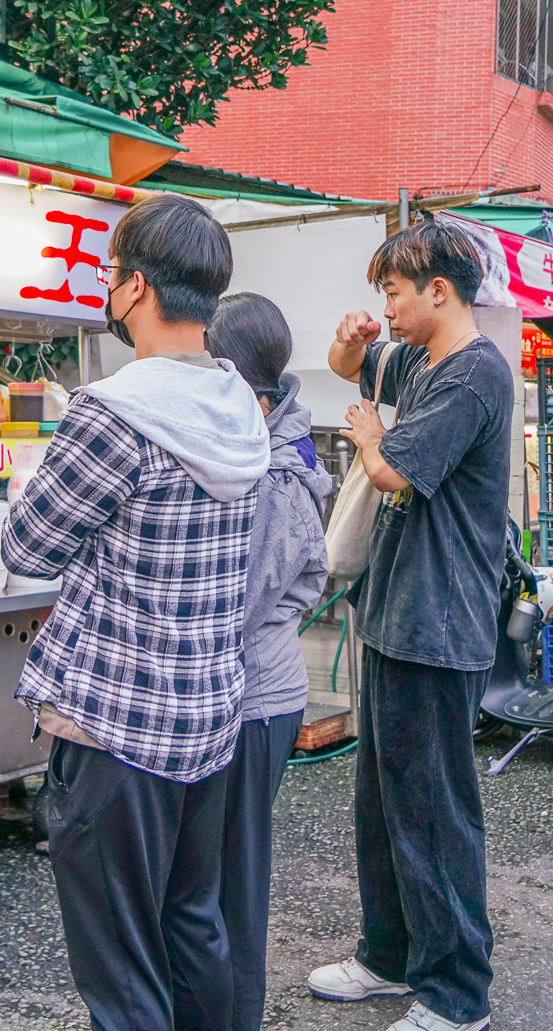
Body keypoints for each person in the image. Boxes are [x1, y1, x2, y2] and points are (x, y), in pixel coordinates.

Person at [4, 194, 270, 1031]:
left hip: (116, 730)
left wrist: (25, 482)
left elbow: (27, 548)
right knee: (193, 927)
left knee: (121, 973)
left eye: (113, 273)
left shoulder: (113, 413)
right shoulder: (237, 403)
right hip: (207, 719)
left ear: (136, 286)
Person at [311, 218, 514, 1031]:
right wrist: (347, 341)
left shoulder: (473, 375)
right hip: (396, 615)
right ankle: (388, 956)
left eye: (392, 294)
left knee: (434, 809)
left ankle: (458, 994)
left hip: (439, 621)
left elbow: (393, 468)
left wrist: (367, 434)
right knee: (385, 801)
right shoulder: (422, 358)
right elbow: (346, 365)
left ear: (438, 291)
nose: (384, 309)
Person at [205, 292, 335, 1031]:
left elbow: (241, 600)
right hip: (238, 692)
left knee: (237, 876)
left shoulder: (279, 478)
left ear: (245, 388)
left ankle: (236, 1016)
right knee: (213, 872)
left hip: (256, 697)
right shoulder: (257, 448)